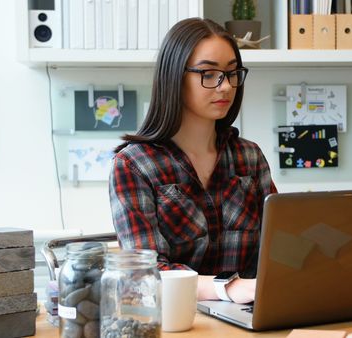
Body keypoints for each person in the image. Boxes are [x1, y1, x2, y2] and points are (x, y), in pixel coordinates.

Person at [109, 18, 277, 304]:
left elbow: (279, 250)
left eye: (232, 73)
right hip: (176, 319)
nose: (225, 87)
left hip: (251, 316)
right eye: (209, 74)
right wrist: (229, 288)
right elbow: (145, 274)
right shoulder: (134, 165)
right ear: (174, 76)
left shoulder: (250, 158)